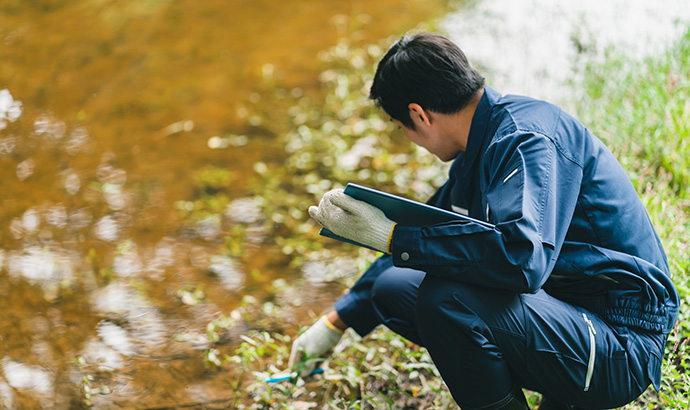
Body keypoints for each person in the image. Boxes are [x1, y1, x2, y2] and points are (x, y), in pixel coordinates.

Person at [288, 33, 679, 410]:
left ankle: (561, 388)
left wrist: (392, 236)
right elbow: (422, 236)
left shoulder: (525, 140)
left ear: (418, 115)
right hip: (569, 310)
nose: (409, 138)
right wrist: (335, 323)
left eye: (401, 128)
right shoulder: (479, 149)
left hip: (621, 345)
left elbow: (522, 259)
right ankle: (550, 385)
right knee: (392, 287)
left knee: (448, 298)